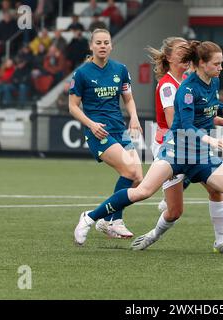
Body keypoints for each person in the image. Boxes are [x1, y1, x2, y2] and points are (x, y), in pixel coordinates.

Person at [74, 40, 223, 259]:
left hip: (201, 155)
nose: (221, 67)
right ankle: (90, 218)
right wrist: (211, 140)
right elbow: (186, 125)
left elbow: (209, 105)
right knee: (143, 191)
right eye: (217, 63)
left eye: (221, 63)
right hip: (176, 152)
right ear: (202, 63)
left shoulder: (212, 82)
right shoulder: (185, 89)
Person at [133, 36, 223, 254]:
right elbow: (181, 122)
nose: (185, 54)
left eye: (187, 50)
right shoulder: (170, 85)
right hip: (174, 145)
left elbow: (205, 110)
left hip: (196, 143)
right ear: (169, 57)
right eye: (181, 50)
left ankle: (221, 241)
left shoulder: (193, 80)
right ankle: (102, 218)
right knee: (171, 208)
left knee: (216, 189)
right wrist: (210, 135)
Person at [69, 28, 143, 238]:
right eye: (98, 43)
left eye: (106, 42)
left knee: (138, 179)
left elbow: (128, 98)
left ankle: (105, 220)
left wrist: (134, 118)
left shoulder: (120, 69)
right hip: (99, 132)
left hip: (120, 129)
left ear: (111, 46)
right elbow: (73, 107)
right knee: (129, 172)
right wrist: (91, 125)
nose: (102, 46)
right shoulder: (82, 73)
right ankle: (111, 220)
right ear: (91, 46)